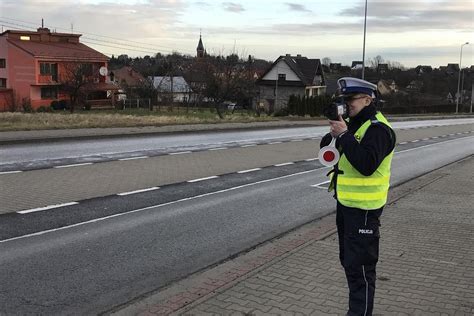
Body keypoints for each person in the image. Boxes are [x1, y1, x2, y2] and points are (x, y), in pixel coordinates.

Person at [320, 77, 396, 316]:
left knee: (361, 272)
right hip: (346, 206)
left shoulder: (378, 129)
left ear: (367, 99)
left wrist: (344, 135)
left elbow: (366, 164)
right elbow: (327, 152)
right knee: (351, 266)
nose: (347, 104)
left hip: (364, 211)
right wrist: (335, 131)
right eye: (344, 100)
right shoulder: (354, 124)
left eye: (350, 100)